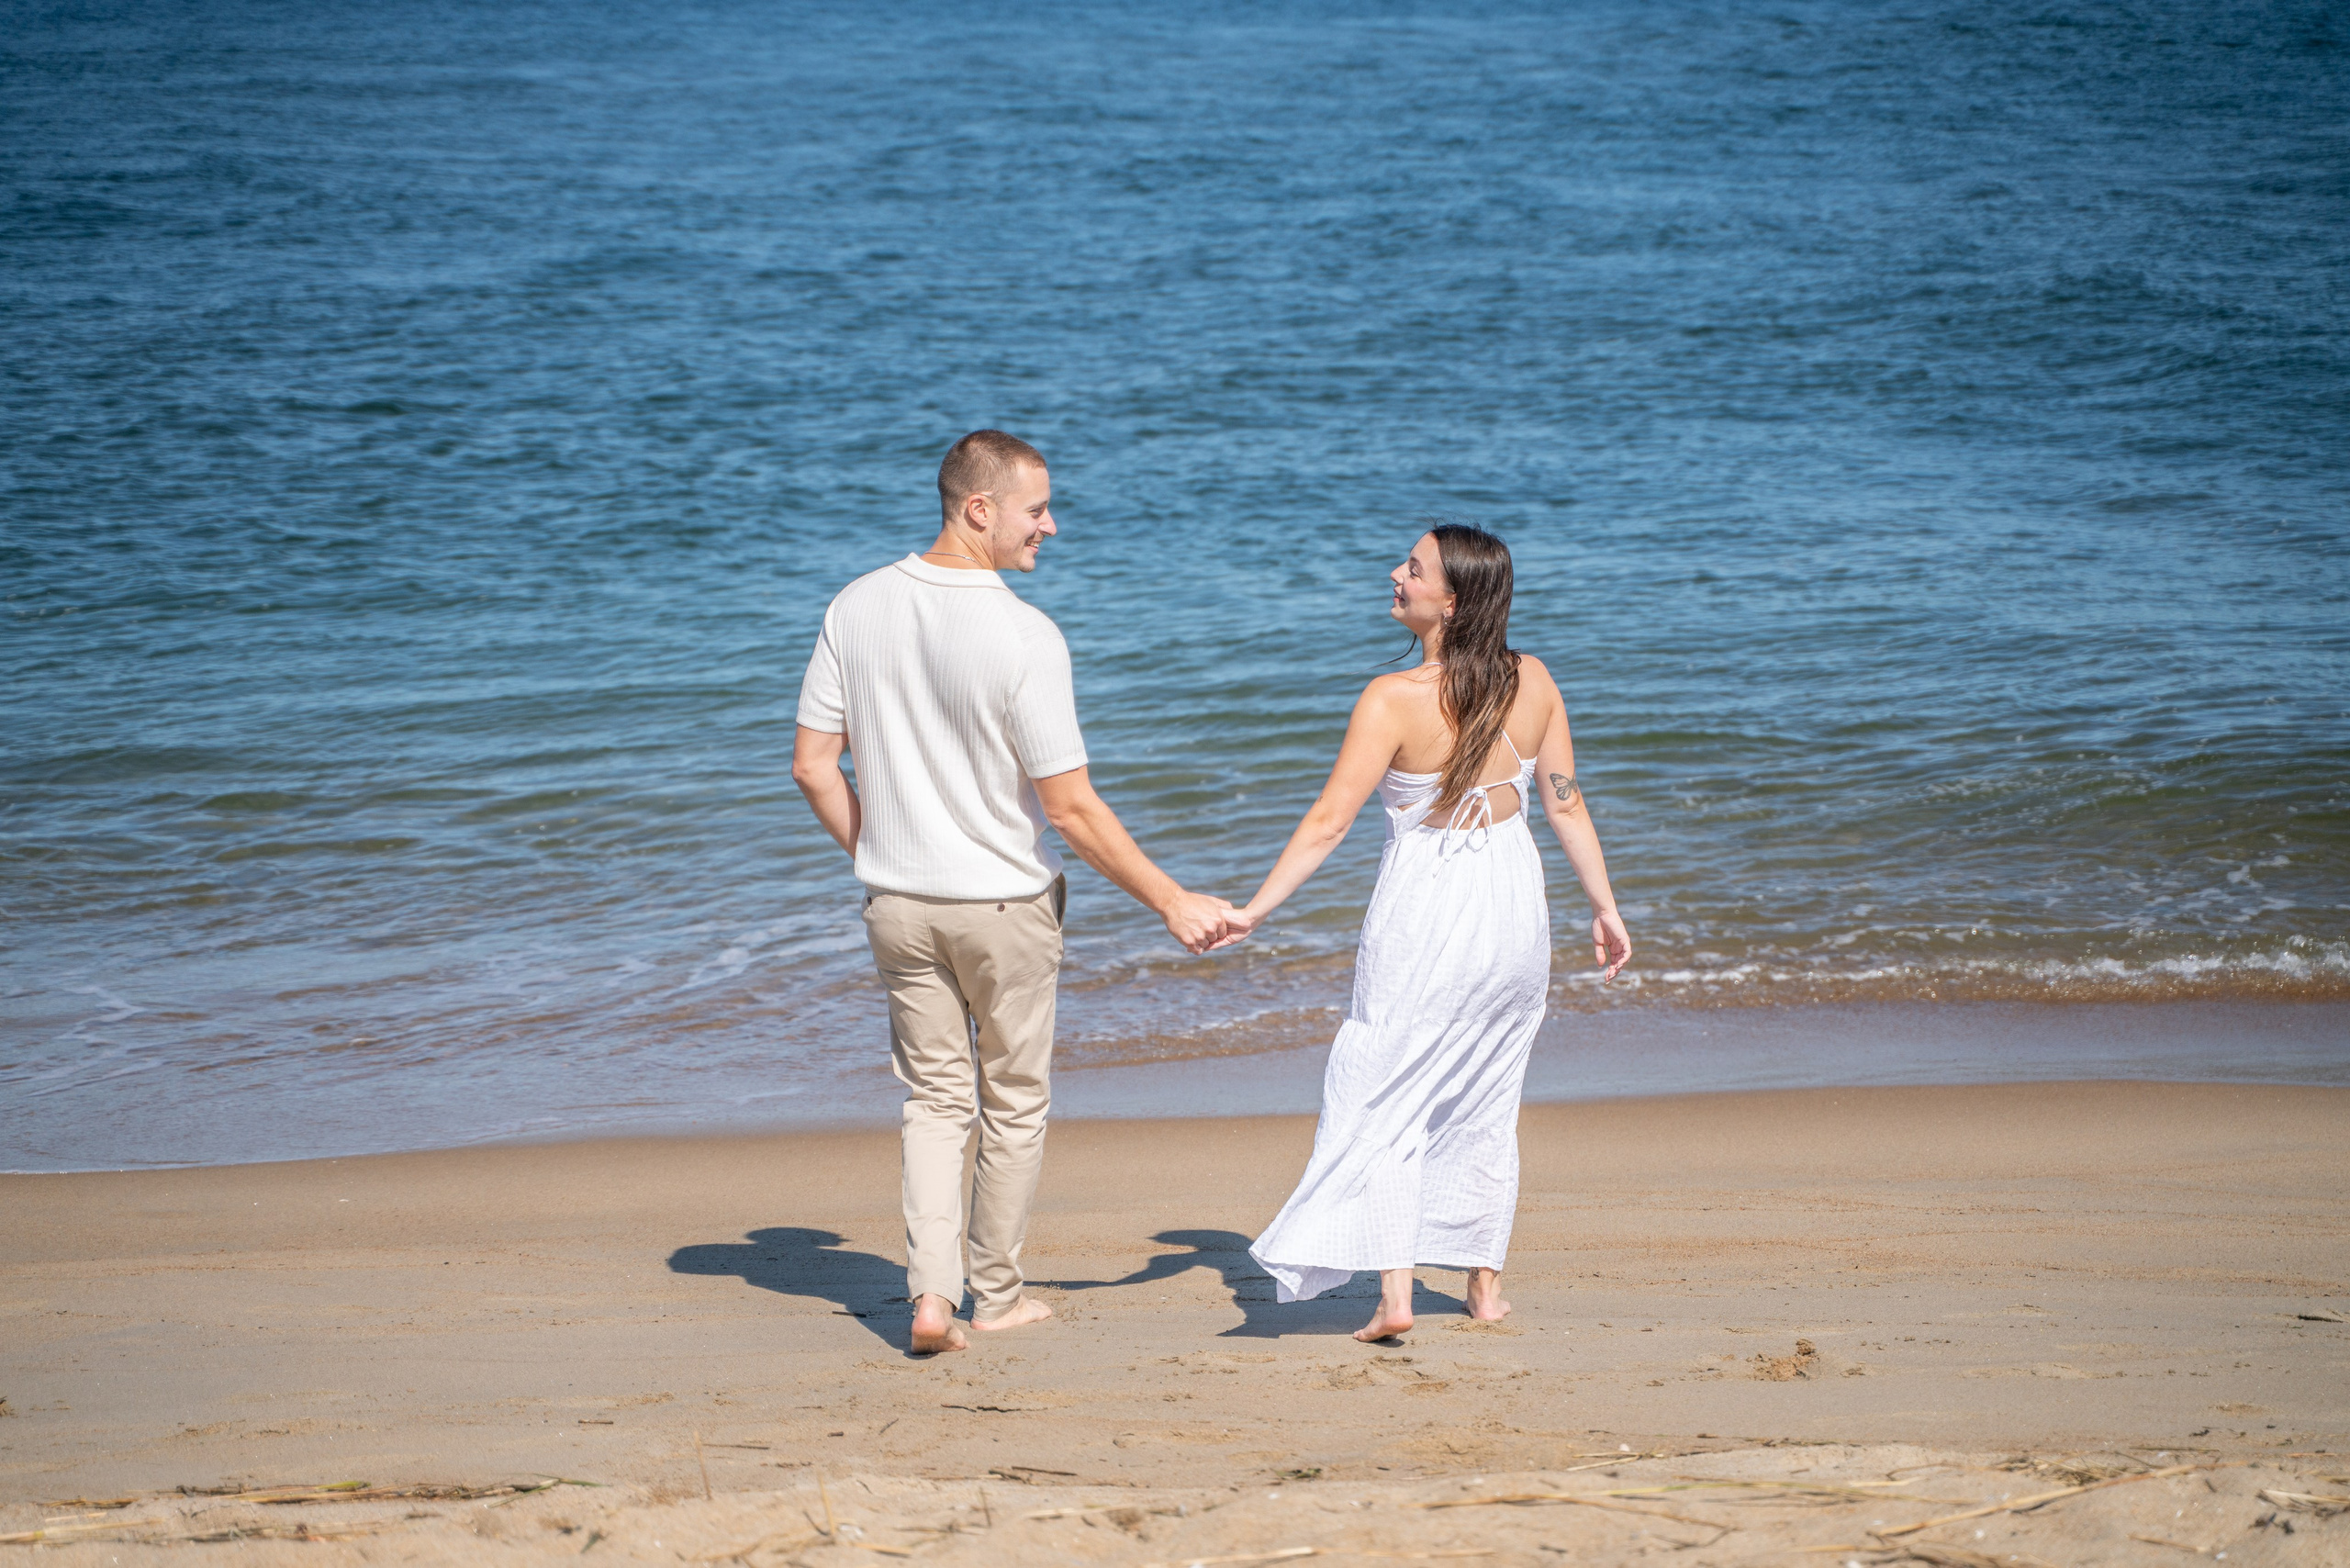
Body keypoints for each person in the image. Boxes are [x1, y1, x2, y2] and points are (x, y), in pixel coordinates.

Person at [792, 430, 1237, 1354]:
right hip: (1003, 907)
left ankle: (927, 1296)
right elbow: (1069, 809)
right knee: (1013, 1102)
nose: (1052, 526)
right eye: (1037, 509)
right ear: (980, 507)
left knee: (932, 1103)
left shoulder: (856, 603)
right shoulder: (1025, 635)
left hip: (896, 904)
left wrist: (877, 852)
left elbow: (811, 767)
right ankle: (991, 1295)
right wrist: (1170, 899)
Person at [1219, 523, 1632, 1342]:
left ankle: (1398, 1296)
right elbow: (1566, 802)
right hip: (1515, 906)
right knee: (1486, 1089)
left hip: (1428, 908)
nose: (1396, 576)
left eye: (1413, 569)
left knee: (1384, 1091)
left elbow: (1330, 822)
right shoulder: (1536, 680)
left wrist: (1256, 908)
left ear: (1453, 598)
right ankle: (1483, 1288)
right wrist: (1606, 907)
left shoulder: (1391, 698)